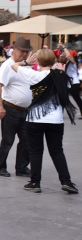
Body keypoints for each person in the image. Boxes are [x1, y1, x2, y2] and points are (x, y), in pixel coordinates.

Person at [11, 49, 78, 194]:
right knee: (57, 150)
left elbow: (14, 66)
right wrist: (59, 70)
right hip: (56, 119)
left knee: (35, 151)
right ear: (54, 61)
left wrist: (26, 62)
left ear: (38, 61)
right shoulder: (61, 77)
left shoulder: (33, 75)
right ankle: (66, 181)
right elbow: (66, 90)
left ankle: (35, 182)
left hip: (35, 119)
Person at [0, 37, 33, 178]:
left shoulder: (26, 65)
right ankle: (0, 166)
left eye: (27, 52)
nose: (24, 54)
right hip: (10, 108)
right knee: (7, 140)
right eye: (22, 51)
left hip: (25, 110)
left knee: (26, 140)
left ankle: (21, 167)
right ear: (14, 50)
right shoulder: (7, 65)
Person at [59, 46, 82, 119]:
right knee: (65, 97)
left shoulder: (73, 61)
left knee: (72, 98)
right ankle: (60, 113)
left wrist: (64, 47)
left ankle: (60, 114)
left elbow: (68, 55)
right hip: (70, 83)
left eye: (65, 52)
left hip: (74, 83)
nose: (63, 53)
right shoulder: (68, 61)